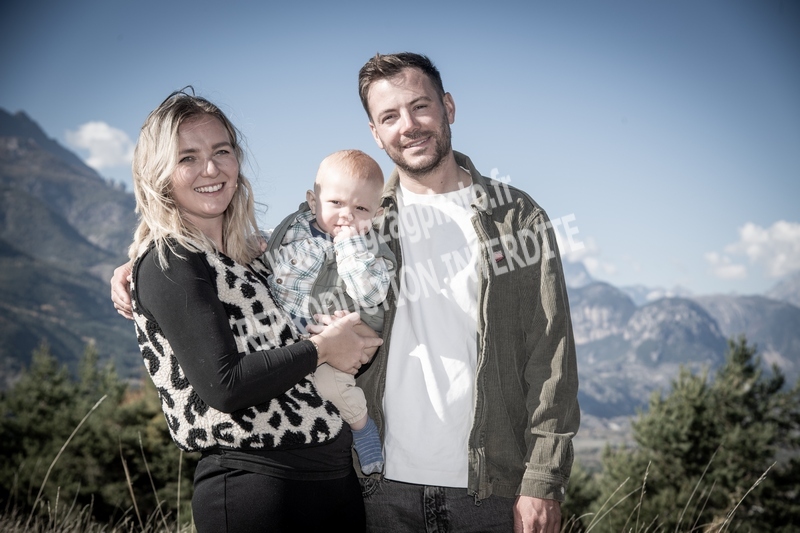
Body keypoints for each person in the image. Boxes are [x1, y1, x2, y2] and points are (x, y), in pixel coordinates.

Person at [123, 90, 381, 532]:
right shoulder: (171, 260)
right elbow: (225, 386)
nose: (211, 169)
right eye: (188, 158)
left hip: (333, 483)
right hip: (258, 489)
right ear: (159, 173)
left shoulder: (255, 258)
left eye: (221, 151)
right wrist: (323, 348)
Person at [352, 52, 580, 533]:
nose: (408, 126)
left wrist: (543, 479)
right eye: (389, 117)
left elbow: (551, 356)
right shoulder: (361, 223)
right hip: (376, 490)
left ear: (448, 108)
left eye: (420, 106)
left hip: (491, 492)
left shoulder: (517, 219)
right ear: (375, 133)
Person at [263, 149, 395, 475]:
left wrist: (349, 246)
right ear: (313, 201)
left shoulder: (369, 246)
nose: (346, 214)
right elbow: (271, 258)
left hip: (334, 336)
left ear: (376, 214)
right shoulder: (293, 227)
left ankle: (363, 429)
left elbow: (371, 292)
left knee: (330, 387)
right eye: (336, 203)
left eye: (360, 208)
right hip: (282, 332)